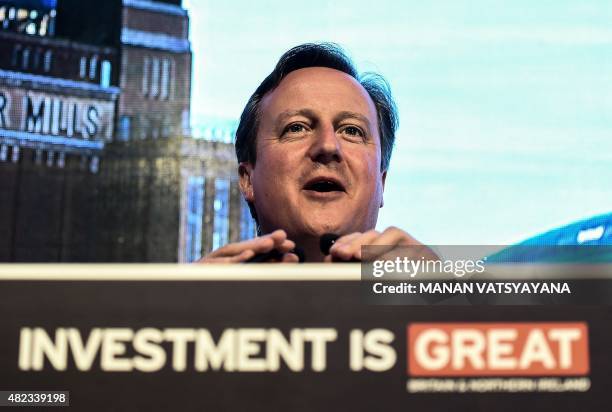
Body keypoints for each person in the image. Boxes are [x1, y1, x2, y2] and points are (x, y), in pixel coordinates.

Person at [200, 43, 436, 263]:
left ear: (381, 183)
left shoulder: (448, 299)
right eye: (296, 128)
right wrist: (178, 301)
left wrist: (452, 299)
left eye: (352, 131)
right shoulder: (186, 302)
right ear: (247, 179)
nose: (328, 146)